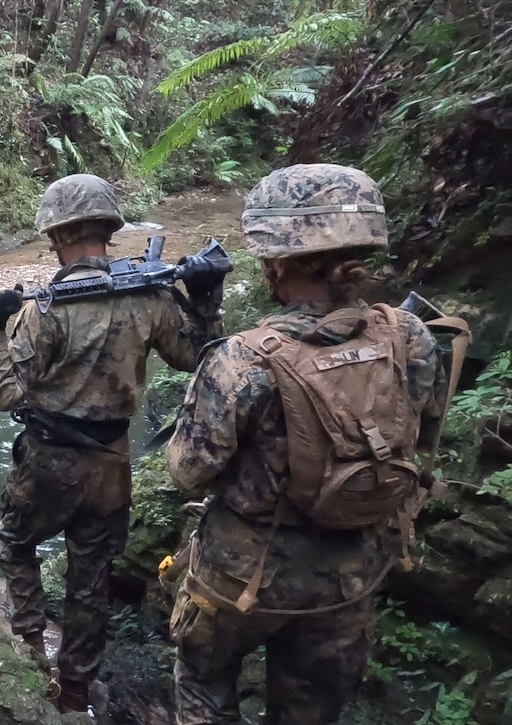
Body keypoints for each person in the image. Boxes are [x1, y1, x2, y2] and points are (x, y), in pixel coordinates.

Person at [166, 164, 448, 725]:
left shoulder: (243, 358)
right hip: (352, 569)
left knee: (202, 686)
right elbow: (422, 434)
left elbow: (187, 471)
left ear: (276, 260)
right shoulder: (409, 335)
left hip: (244, 575)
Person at [0, 173, 225, 713]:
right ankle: (77, 688)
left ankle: (33, 647)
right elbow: (198, 356)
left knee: (16, 543)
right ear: (109, 230)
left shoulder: (44, 310)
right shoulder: (150, 295)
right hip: (113, 461)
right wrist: (204, 301)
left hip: (48, 459)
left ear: (57, 235)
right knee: (91, 576)